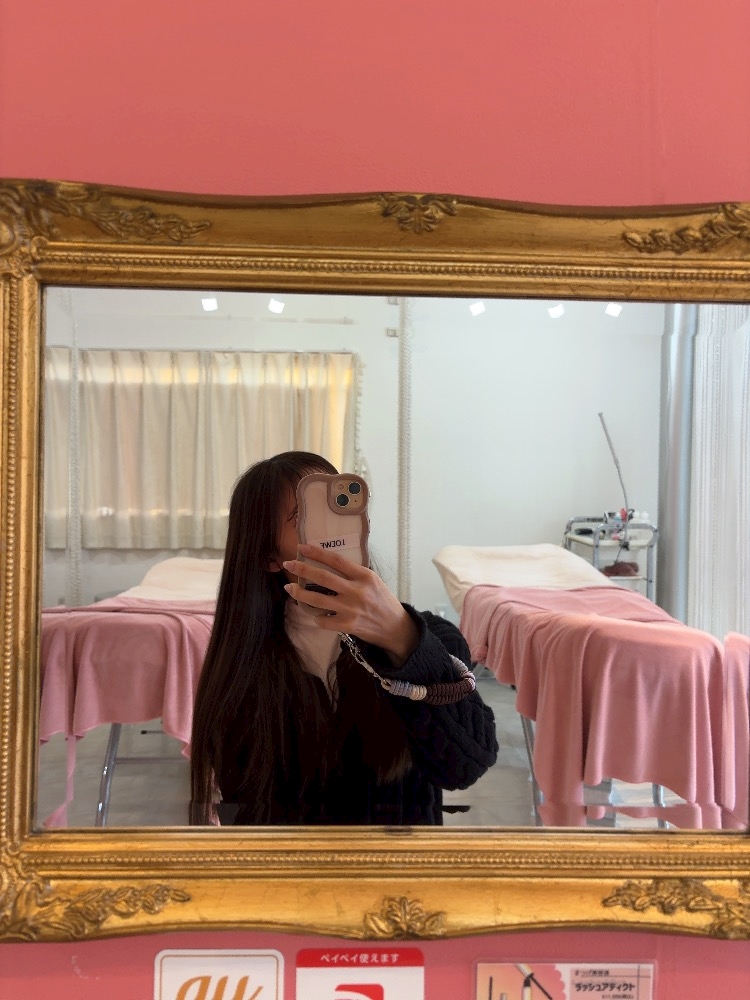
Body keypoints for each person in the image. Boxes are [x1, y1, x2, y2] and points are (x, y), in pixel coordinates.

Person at [190, 451, 498, 826]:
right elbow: (246, 810)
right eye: (305, 517)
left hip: (402, 861)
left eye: (340, 508)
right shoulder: (244, 665)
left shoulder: (432, 638)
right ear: (269, 556)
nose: (335, 530)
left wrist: (403, 640)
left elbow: (465, 767)